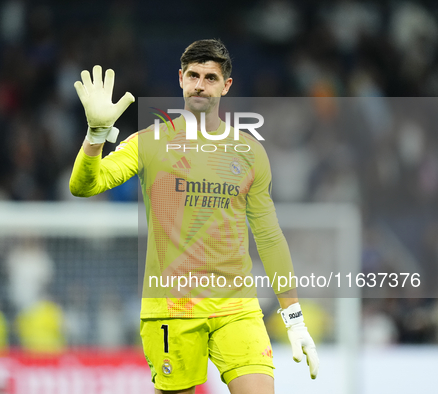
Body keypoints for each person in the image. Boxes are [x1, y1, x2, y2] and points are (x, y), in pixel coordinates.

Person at [69, 39, 318, 394]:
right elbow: (84, 186)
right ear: (181, 79)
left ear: (226, 86)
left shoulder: (250, 152)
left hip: (237, 305)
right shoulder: (149, 142)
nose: (200, 84)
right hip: (171, 306)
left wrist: (293, 318)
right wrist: (95, 136)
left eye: (211, 77)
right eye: (193, 75)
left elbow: (269, 235)